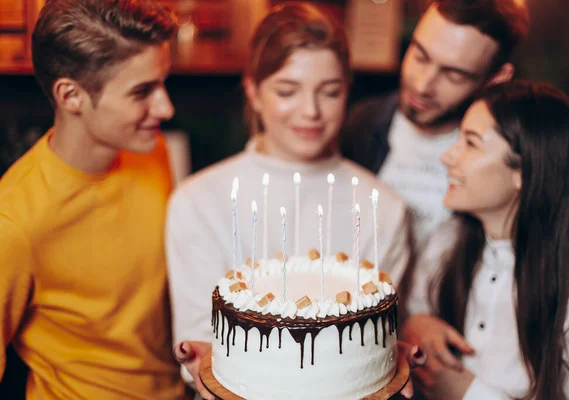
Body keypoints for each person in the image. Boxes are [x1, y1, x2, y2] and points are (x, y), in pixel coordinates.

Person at [165, 3, 412, 399]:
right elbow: (199, 340)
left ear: (348, 90)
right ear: (253, 91)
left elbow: (368, 347)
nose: (311, 111)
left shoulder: (384, 206)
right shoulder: (197, 201)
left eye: (330, 92)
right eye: (287, 91)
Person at [0, 0, 187, 398]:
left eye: (162, 82)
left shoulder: (152, 152)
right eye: (142, 91)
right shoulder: (13, 220)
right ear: (71, 96)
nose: (166, 107)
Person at [403, 81, 569, 399]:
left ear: (523, 169)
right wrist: (417, 324)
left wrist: (468, 393)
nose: (448, 157)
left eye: (471, 143)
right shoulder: (446, 242)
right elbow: (411, 309)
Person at [342, 0, 529, 248]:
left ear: (497, 78)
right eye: (420, 55)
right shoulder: (358, 124)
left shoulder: (507, 157)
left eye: (454, 74)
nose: (422, 85)